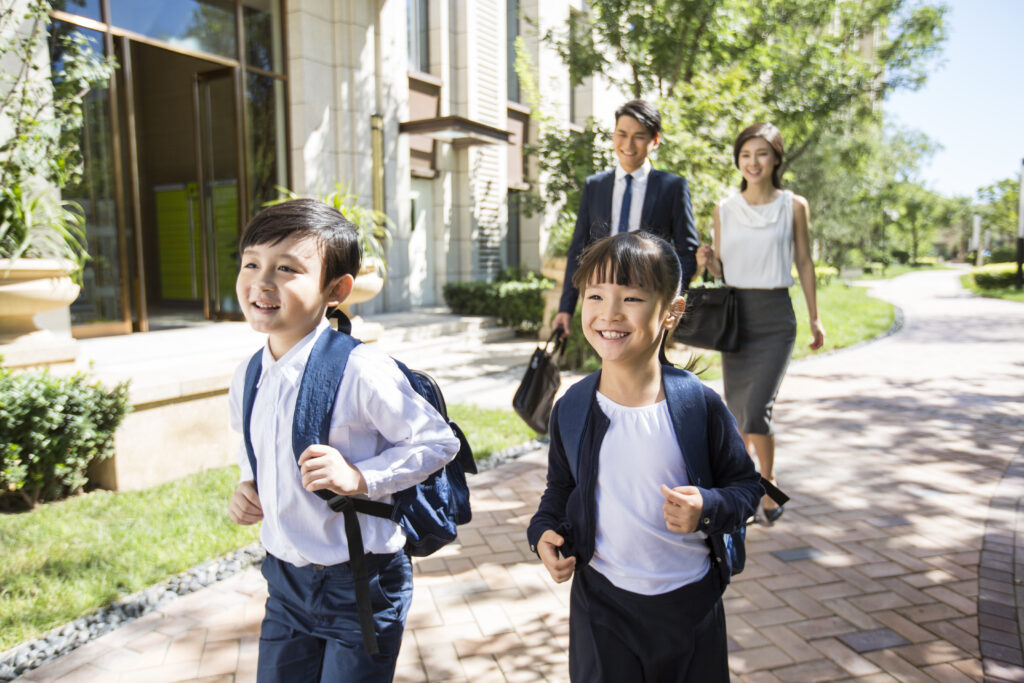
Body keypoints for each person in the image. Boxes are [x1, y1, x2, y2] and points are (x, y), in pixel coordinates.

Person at [226, 199, 460, 682]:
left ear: (337, 289)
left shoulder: (361, 369)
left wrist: (359, 476)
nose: (262, 281)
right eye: (252, 263)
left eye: (287, 268)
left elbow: (437, 441)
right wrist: (249, 487)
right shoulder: (248, 374)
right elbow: (253, 445)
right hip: (285, 583)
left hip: (361, 583)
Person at [528, 232, 761, 682]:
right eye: (595, 295)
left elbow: (747, 489)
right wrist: (542, 533)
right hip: (602, 606)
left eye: (631, 297)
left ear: (671, 311)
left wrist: (707, 508)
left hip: (690, 606)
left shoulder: (699, 406)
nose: (609, 313)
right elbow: (560, 488)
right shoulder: (573, 408)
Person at [696, 122, 825, 524]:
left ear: (776, 159)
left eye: (762, 154)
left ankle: (766, 483)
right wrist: (707, 261)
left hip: (775, 318)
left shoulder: (794, 206)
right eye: (746, 154)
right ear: (738, 160)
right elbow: (721, 268)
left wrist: (815, 318)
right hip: (736, 317)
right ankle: (746, 488)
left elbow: (803, 262)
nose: (753, 162)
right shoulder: (724, 209)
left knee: (756, 410)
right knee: (736, 413)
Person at [552, 99, 698, 337]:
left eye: (639, 136)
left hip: (648, 300)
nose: (628, 144)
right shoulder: (595, 186)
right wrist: (565, 308)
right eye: (621, 134)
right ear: (613, 136)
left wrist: (670, 299)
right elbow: (579, 248)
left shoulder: (672, 187)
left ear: (655, 140)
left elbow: (687, 249)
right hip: (605, 300)